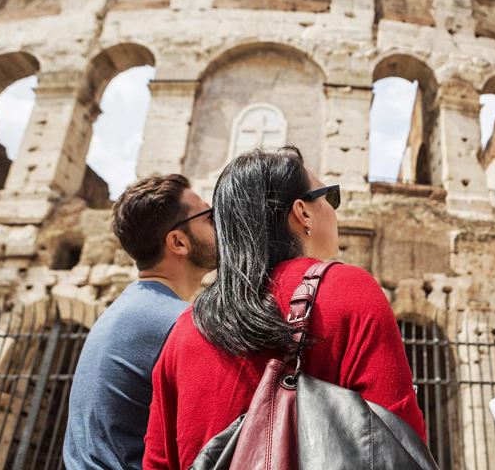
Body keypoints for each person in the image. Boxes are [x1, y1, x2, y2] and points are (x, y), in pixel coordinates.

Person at [143, 147, 426, 469]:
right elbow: (399, 439)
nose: (334, 210)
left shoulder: (184, 329)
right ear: (302, 212)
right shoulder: (348, 289)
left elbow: (158, 460)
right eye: (329, 197)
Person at [64, 174, 217, 470]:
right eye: (209, 217)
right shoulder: (178, 323)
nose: (220, 224)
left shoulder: (124, 310)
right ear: (178, 242)